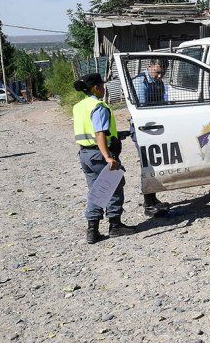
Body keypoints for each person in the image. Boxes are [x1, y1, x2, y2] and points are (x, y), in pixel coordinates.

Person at [73, 73, 136, 244]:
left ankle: (92, 230)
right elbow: (99, 132)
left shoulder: (79, 106)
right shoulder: (98, 106)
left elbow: (90, 130)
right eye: (102, 85)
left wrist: (115, 136)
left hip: (85, 154)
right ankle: (115, 225)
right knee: (113, 185)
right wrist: (107, 156)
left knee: (96, 191)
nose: (103, 88)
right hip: (99, 154)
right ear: (96, 88)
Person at [130, 60, 171, 217]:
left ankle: (153, 199)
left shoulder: (158, 82)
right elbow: (142, 109)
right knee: (148, 166)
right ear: (149, 67)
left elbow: (163, 102)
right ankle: (148, 203)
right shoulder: (141, 82)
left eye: (162, 73)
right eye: (157, 72)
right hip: (144, 129)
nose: (160, 76)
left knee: (155, 164)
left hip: (155, 127)